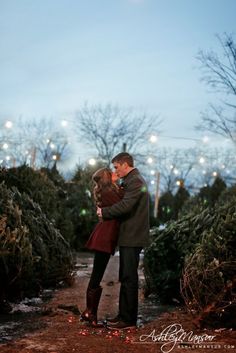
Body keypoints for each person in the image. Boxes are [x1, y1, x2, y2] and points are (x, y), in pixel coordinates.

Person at [97, 152, 150, 329]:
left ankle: (127, 320)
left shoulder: (135, 181)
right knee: (126, 276)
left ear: (125, 164)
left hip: (133, 236)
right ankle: (124, 316)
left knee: (129, 277)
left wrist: (104, 212)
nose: (115, 171)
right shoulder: (131, 180)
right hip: (129, 235)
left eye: (116, 167)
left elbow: (126, 206)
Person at [80, 167, 123, 327]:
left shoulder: (108, 191)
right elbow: (123, 205)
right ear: (106, 178)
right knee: (96, 275)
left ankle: (89, 312)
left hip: (104, 236)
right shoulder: (108, 193)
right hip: (104, 238)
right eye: (111, 173)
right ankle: (90, 312)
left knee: (96, 275)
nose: (114, 174)